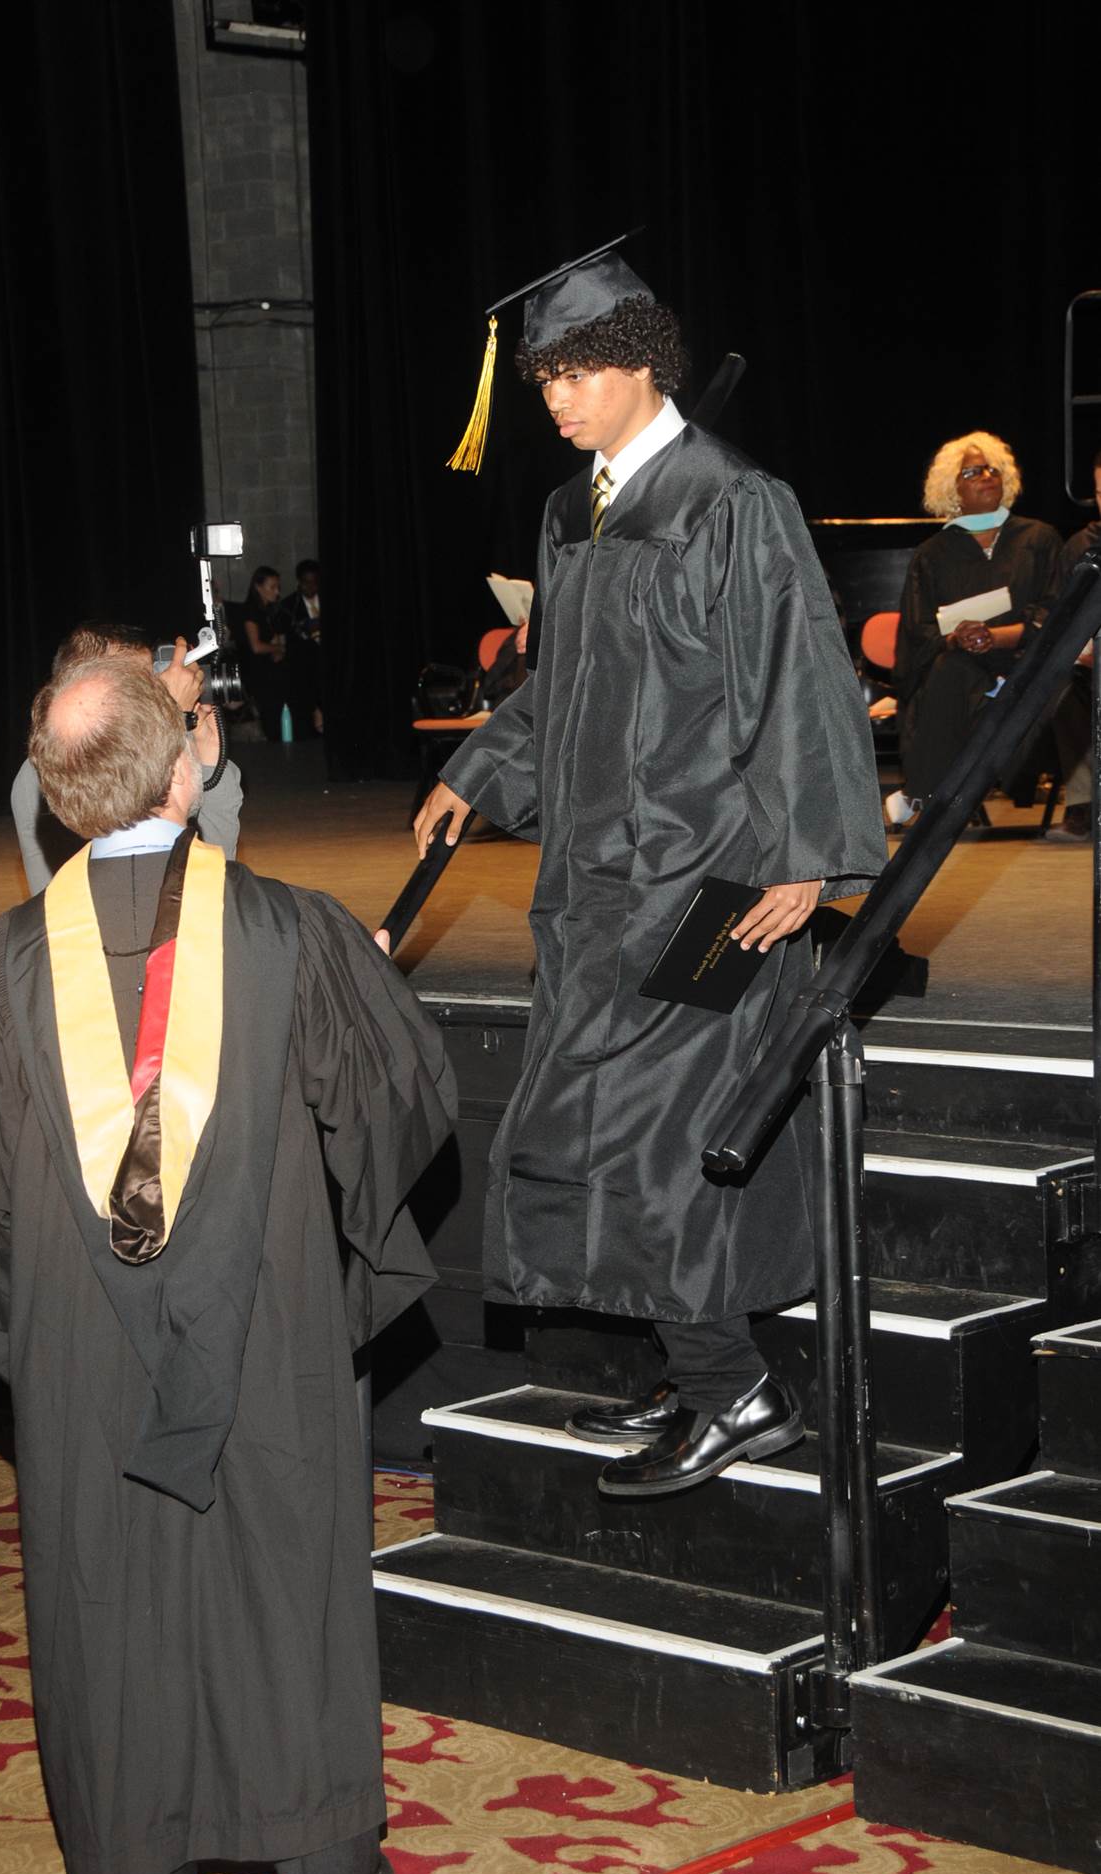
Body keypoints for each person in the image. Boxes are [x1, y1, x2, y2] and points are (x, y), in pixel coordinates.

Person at [0, 652, 454, 1874]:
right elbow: (404, 1109)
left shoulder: (2, 968)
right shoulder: (289, 928)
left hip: (80, 1347)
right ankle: (325, 1863)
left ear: (58, 803)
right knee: (287, 1581)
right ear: (187, 766)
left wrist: (41, 1353)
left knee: (108, 1604)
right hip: (269, 1319)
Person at [409, 241, 885, 1498]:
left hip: (720, 889)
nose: (555, 400)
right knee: (585, 1125)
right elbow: (557, 687)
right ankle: (693, 1369)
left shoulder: (732, 499)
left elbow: (801, 676)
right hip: (599, 889)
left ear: (639, 363)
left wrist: (809, 855)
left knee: (661, 1130)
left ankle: (738, 1394)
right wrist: (481, 769)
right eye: (545, 382)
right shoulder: (577, 515)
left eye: (574, 372)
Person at [893, 432, 1062, 813]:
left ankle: (922, 795)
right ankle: (929, 797)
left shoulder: (1038, 538)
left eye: (992, 469)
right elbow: (918, 631)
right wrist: (955, 639)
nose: (986, 476)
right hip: (962, 667)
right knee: (948, 669)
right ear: (952, 488)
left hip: (1026, 661)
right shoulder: (932, 554)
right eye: (972, 472)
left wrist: (999, 637)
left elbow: (1056, 609)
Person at [11, 623, 244, 891]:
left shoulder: (160, 750)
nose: (150, 693)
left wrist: (209, 761)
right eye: (136, 684)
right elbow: (124, 895)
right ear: (85, 692)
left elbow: (216, 880)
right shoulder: (47, 773)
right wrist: (169, 718)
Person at [1045, 448, 1101, 842]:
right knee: (1062, 686)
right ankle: (1081, 804)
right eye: (1100, 490)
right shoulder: (1081, 546)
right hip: (1090, 666)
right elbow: (1059, 618)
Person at [275, 558, 324, 736]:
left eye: (314, 582)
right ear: (299, 582)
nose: (310, 587)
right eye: (306, 582)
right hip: (305, 669)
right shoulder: (290, 606)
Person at [241, 563, 289, 739]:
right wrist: (279, 648)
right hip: (259, 675)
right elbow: (256, 646)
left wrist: (277, 649)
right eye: (272, 587)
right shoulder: (251, 612)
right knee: (270, 718)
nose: (277, 592)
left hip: (270, 671)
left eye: (278, 587)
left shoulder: (269, 611)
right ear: (258, 587)